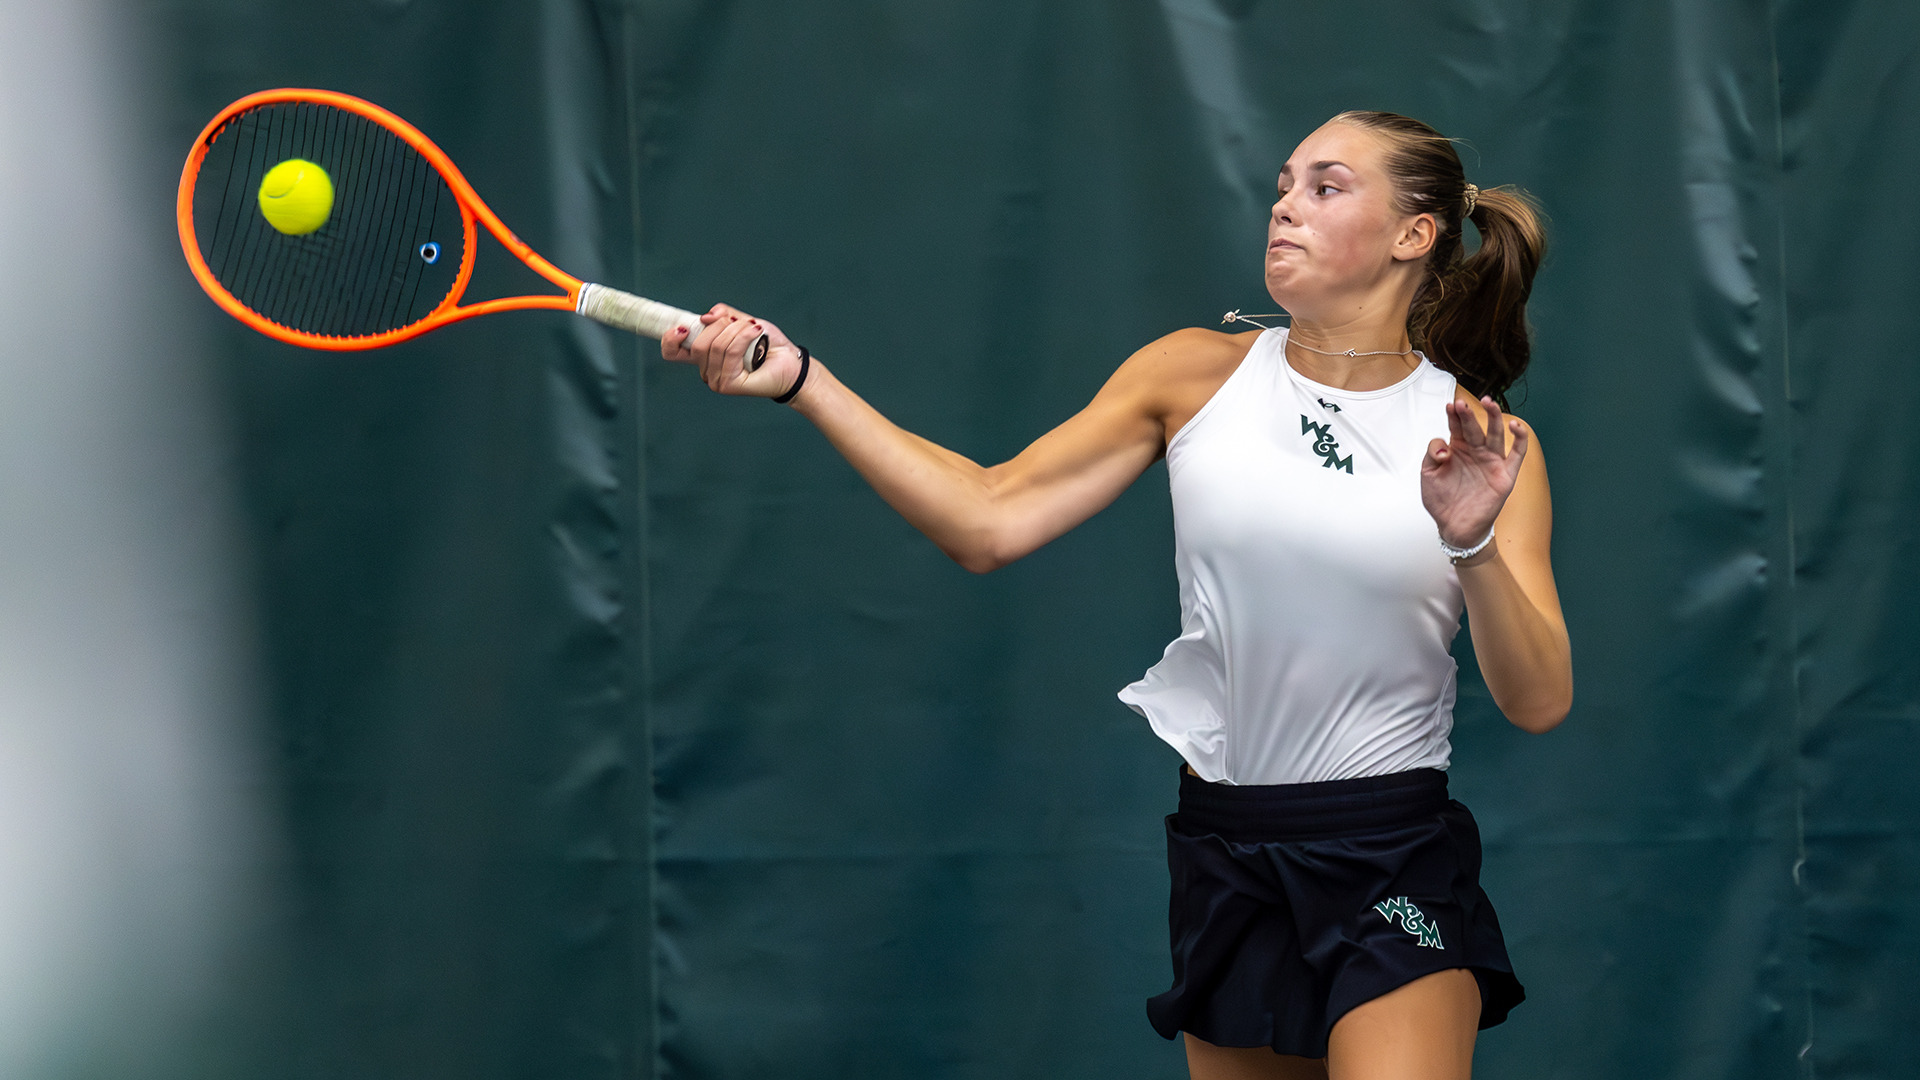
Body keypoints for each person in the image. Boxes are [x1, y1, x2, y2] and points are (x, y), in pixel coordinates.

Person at [663, 110, 1572, 1080]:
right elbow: (989, 517)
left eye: (1326, 187)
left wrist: (1470, 539)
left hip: (1393, 857)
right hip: (1230, 855)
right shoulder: (1189, 374)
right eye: (1282, 185)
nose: (1284, 209)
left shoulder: (1482, 443)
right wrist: (805, 380)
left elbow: (1538, 698)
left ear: (1413, 234)